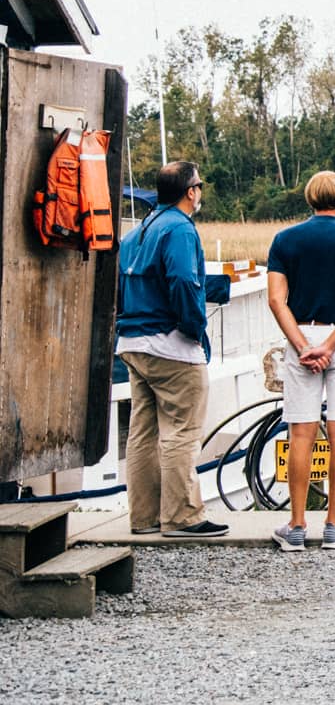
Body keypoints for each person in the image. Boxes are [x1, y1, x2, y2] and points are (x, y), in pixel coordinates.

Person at [265, 171, 335, 552]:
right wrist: (331, 345)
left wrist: (301, 345)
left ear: (310, 200)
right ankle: (334, 522)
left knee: (301, 431)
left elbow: (276, 300)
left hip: (302, 337)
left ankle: (296, 525)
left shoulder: (285, 240)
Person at [115, 161, 230, 538]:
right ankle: (182, 517)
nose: (200, 193)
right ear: (190, 191)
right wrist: (194, 327)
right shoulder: (180, 229)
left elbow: (116, 285)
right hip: (171, 344)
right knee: (182, 430)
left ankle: (144, 516)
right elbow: (182, 279)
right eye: (200, 186)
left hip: (132, 341)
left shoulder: (136, 232)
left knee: (143, 431)